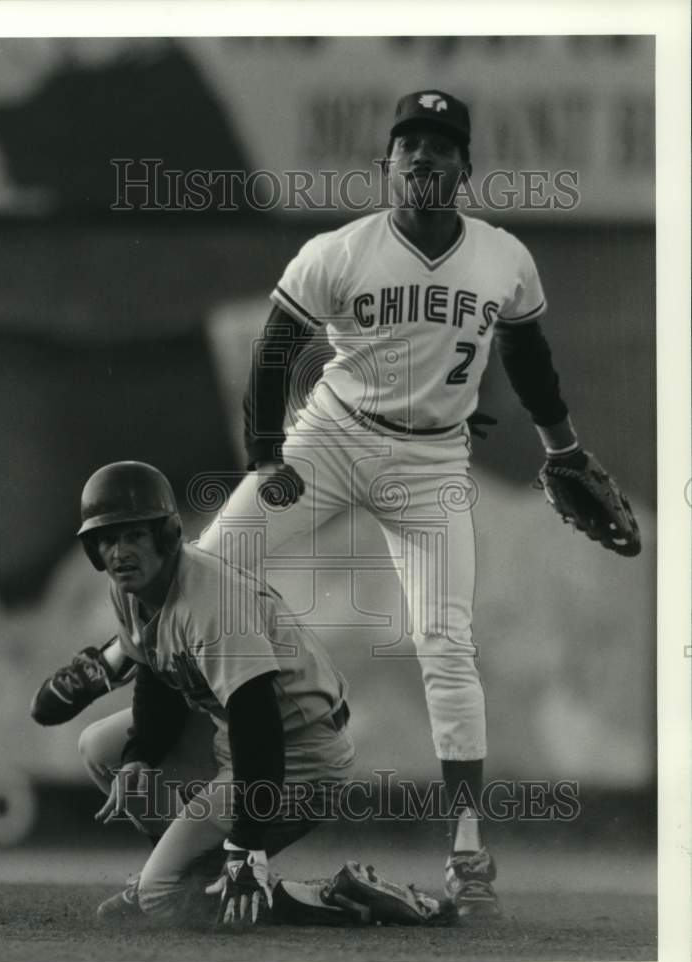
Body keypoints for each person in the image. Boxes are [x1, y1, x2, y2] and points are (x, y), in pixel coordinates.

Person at [194, 89, 636, 919]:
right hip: (331, 434)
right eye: (410, 147)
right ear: (384, 167)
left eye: (441, 147)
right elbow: (272, 357)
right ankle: (137, 686)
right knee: (210, 564)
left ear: (464, 169)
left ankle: (467, 848)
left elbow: (532, 362)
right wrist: (263, 458)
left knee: (445, 642)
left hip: (431, 458)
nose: (424, 159)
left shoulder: (502, 257)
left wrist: (563, 448)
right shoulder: (338, 251)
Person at [32, 460, 455, 929]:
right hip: (234, 734)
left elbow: (260, 726)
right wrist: (140, 757)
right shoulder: (130, 589)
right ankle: (189, 876)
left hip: (299, 755)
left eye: (133, 535)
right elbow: (160, 678)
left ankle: (341, 895)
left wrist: (247, 845)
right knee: (100, 748)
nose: (119, 551)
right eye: (107, 539)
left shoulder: (212, 603)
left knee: (163, 900)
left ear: (166, 533)